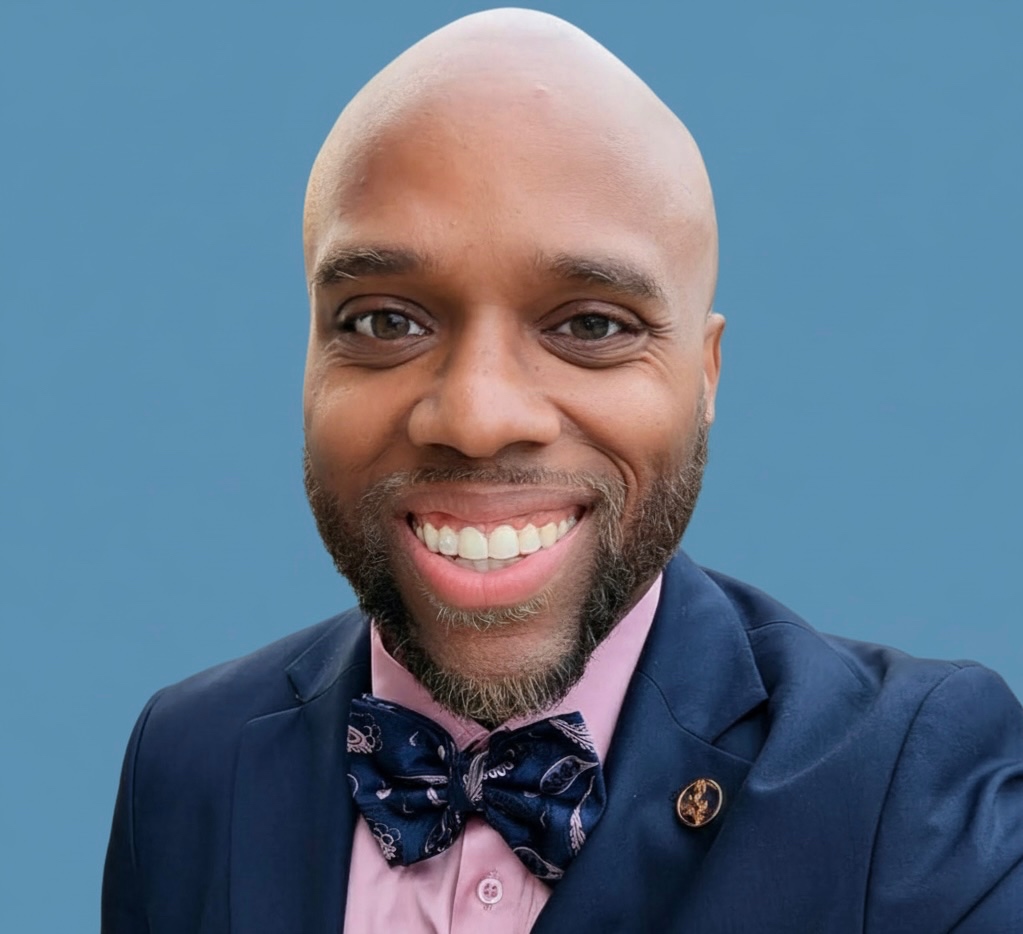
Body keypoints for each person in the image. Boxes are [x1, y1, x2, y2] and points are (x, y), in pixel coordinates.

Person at [102, 9, 1023, 933]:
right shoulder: (186, 763)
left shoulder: (912, 789)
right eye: (385, 321)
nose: (477, 418)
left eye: (590, 325)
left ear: (704, 377)